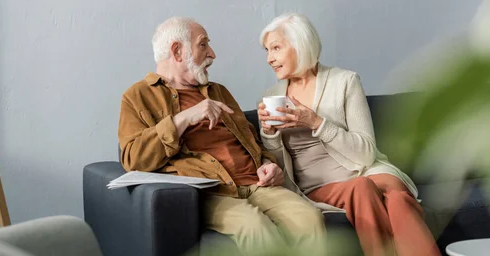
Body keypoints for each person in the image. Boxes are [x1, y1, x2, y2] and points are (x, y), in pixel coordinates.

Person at [118, 17, 325, 256]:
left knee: (309, 219)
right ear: (177, 51)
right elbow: (133, 159)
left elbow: (252, 141)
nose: (213, 54)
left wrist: (269, 163)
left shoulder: (218, 91)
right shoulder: (137, 97)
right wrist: (185, 118)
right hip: (213, 193)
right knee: (254, 227)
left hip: (257, 185)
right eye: (203, 44)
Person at [257, 13, 440, 256]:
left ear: (300, 44)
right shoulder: (272, 96)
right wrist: (269, 134)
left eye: (276, 48)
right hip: (318, 184)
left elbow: (366, 154)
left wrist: (316, 122)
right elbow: (278, 167)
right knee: (360, 188)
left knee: (397, 198)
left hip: (369, 170)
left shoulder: (345, 81)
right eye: (267, 51)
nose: (270, 58)